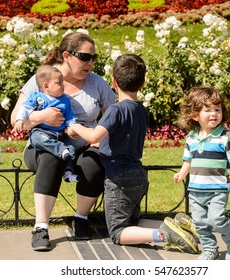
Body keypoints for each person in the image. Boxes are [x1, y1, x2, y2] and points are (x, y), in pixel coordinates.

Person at [69, 54, 199, 254]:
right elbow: (116, 137)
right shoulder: (140, 110)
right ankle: (176, 225)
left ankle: (165, 234)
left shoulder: (116, 110)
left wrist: (76, 126)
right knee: (132, 221)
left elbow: (94, 134)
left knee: (119, 232)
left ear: (113, 81)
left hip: (119, 178)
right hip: (137, 174)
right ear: (143, 82)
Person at [10, 31, 116, 251]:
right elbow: (15, 118)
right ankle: (41, 228)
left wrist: (100, 137)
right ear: (67, 55)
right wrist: (40, 117)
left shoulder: (96, 83)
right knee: (51, 158)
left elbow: (114, 115)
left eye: (93, 57)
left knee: (93, 161)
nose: (91, 63)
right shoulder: (44, 78)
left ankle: (81, 219)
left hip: (83, 146)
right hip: (44, 145)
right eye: (85, 57)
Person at [173, 86, 230, 260]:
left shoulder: (226, 136)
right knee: (199, 222)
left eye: (217, 109)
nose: (214, 113)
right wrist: (182, 173)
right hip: (196, 189)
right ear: (195, 115)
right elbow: (188, 160)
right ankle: (209, 248)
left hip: (217, 189)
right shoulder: (191, 137)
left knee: (216, 219)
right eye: (207, 110)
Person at [13, 65, 79, 183]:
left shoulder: (65, 100)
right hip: (42, 132)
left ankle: (68, 172)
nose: (63, 85)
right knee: (37, 138)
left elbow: (70, 117)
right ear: (46, 85)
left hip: (60, 135)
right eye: (59, 83)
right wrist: (19, 120)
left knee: (72, 149)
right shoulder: (37, 97)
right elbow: (25, 108)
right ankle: (60, 150)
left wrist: (71, 128)